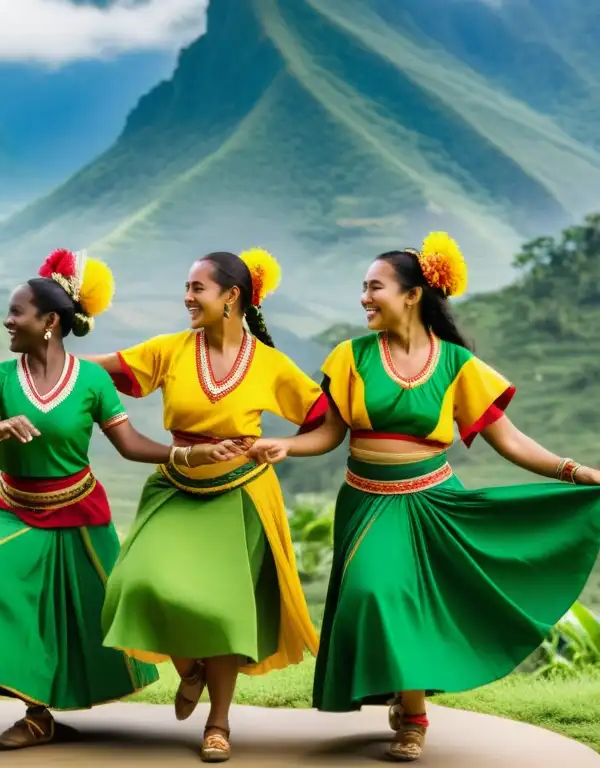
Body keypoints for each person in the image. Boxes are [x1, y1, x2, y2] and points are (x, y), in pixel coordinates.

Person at [246, 232, 600, 762]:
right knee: (373, 594)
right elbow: (329, 435)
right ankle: (403, 698)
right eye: (362, 288)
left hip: (435, 502)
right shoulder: (350, 356)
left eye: (375, 287)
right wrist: (286, 444)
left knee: (412, 605)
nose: (365, 297)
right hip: (369, 502)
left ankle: (412, 716)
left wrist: (577, 472)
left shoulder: (457, 363)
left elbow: (510, 441)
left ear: (412, 295)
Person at [0, 249, 243, 751]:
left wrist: (189, 455)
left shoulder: (91, 381)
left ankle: (182, 668)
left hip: (79, 509)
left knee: (103, 608)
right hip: (13, 509)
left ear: (49, 322)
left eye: (17, 313)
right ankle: (34, 708)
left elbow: (130, 443)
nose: (7, 321)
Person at [86, 249, 328, 763]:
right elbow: (96, 371)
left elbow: (327, 421)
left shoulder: (269, 362)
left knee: (224, 611)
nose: (187, 297)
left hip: (242, 494)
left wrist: (287, 445)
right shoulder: (170, 350)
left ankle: (219, 722)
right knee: (140, 582)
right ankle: (189, 669)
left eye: (197, 288)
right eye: (188, 287)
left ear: (231, 296)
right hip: (176, 484)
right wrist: (49, 343)